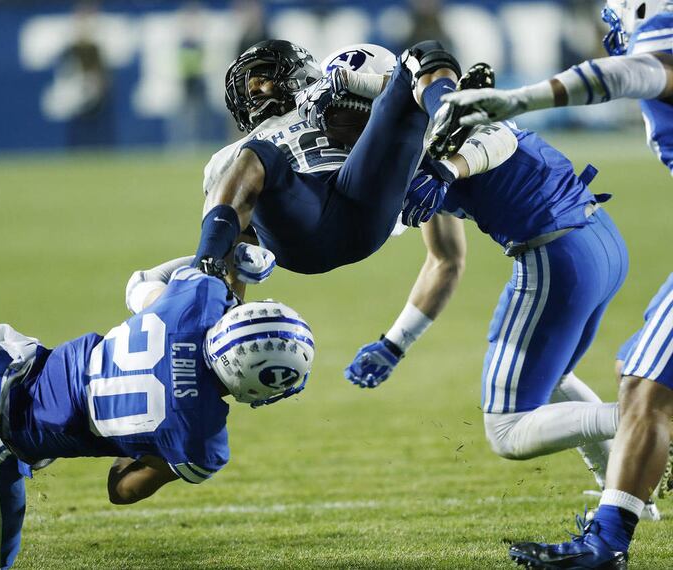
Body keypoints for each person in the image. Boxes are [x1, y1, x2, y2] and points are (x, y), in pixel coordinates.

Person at [432, 1, 673, 567]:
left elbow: (637, 73)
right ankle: (608, 540)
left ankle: (605, 546)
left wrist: (521, 98)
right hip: (591, 239)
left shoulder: (661, 27)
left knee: (644, 393)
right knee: (639, 382)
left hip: (559, 248)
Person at [0, 261, 314, 569]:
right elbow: (120, 489)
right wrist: (143, 442)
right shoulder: (201, 441)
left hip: (0, 370)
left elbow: (141, 283)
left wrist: (224, 271)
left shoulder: (195, 304)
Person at [345, 115, 634, 511]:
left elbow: (489, 141)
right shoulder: (430, 131)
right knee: (553, 379)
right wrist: (394, 344)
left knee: (506, 429)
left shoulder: (430, 133)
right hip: (601, 239)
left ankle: (647, 415)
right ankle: (624, 495)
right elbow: (445, 261)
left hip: (558, 254)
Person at [193, 39, 516, 275]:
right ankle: (201, 271)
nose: (254, 91)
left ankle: (446, 107)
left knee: (419, 56)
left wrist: (445, 170)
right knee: (258, 154)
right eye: (247, 89)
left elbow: (503, 133)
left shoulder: (335, 100)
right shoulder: (230, 156)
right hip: (299, 219)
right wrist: (225, 294)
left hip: (363, 202)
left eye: (260, 79)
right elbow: (235, 240)